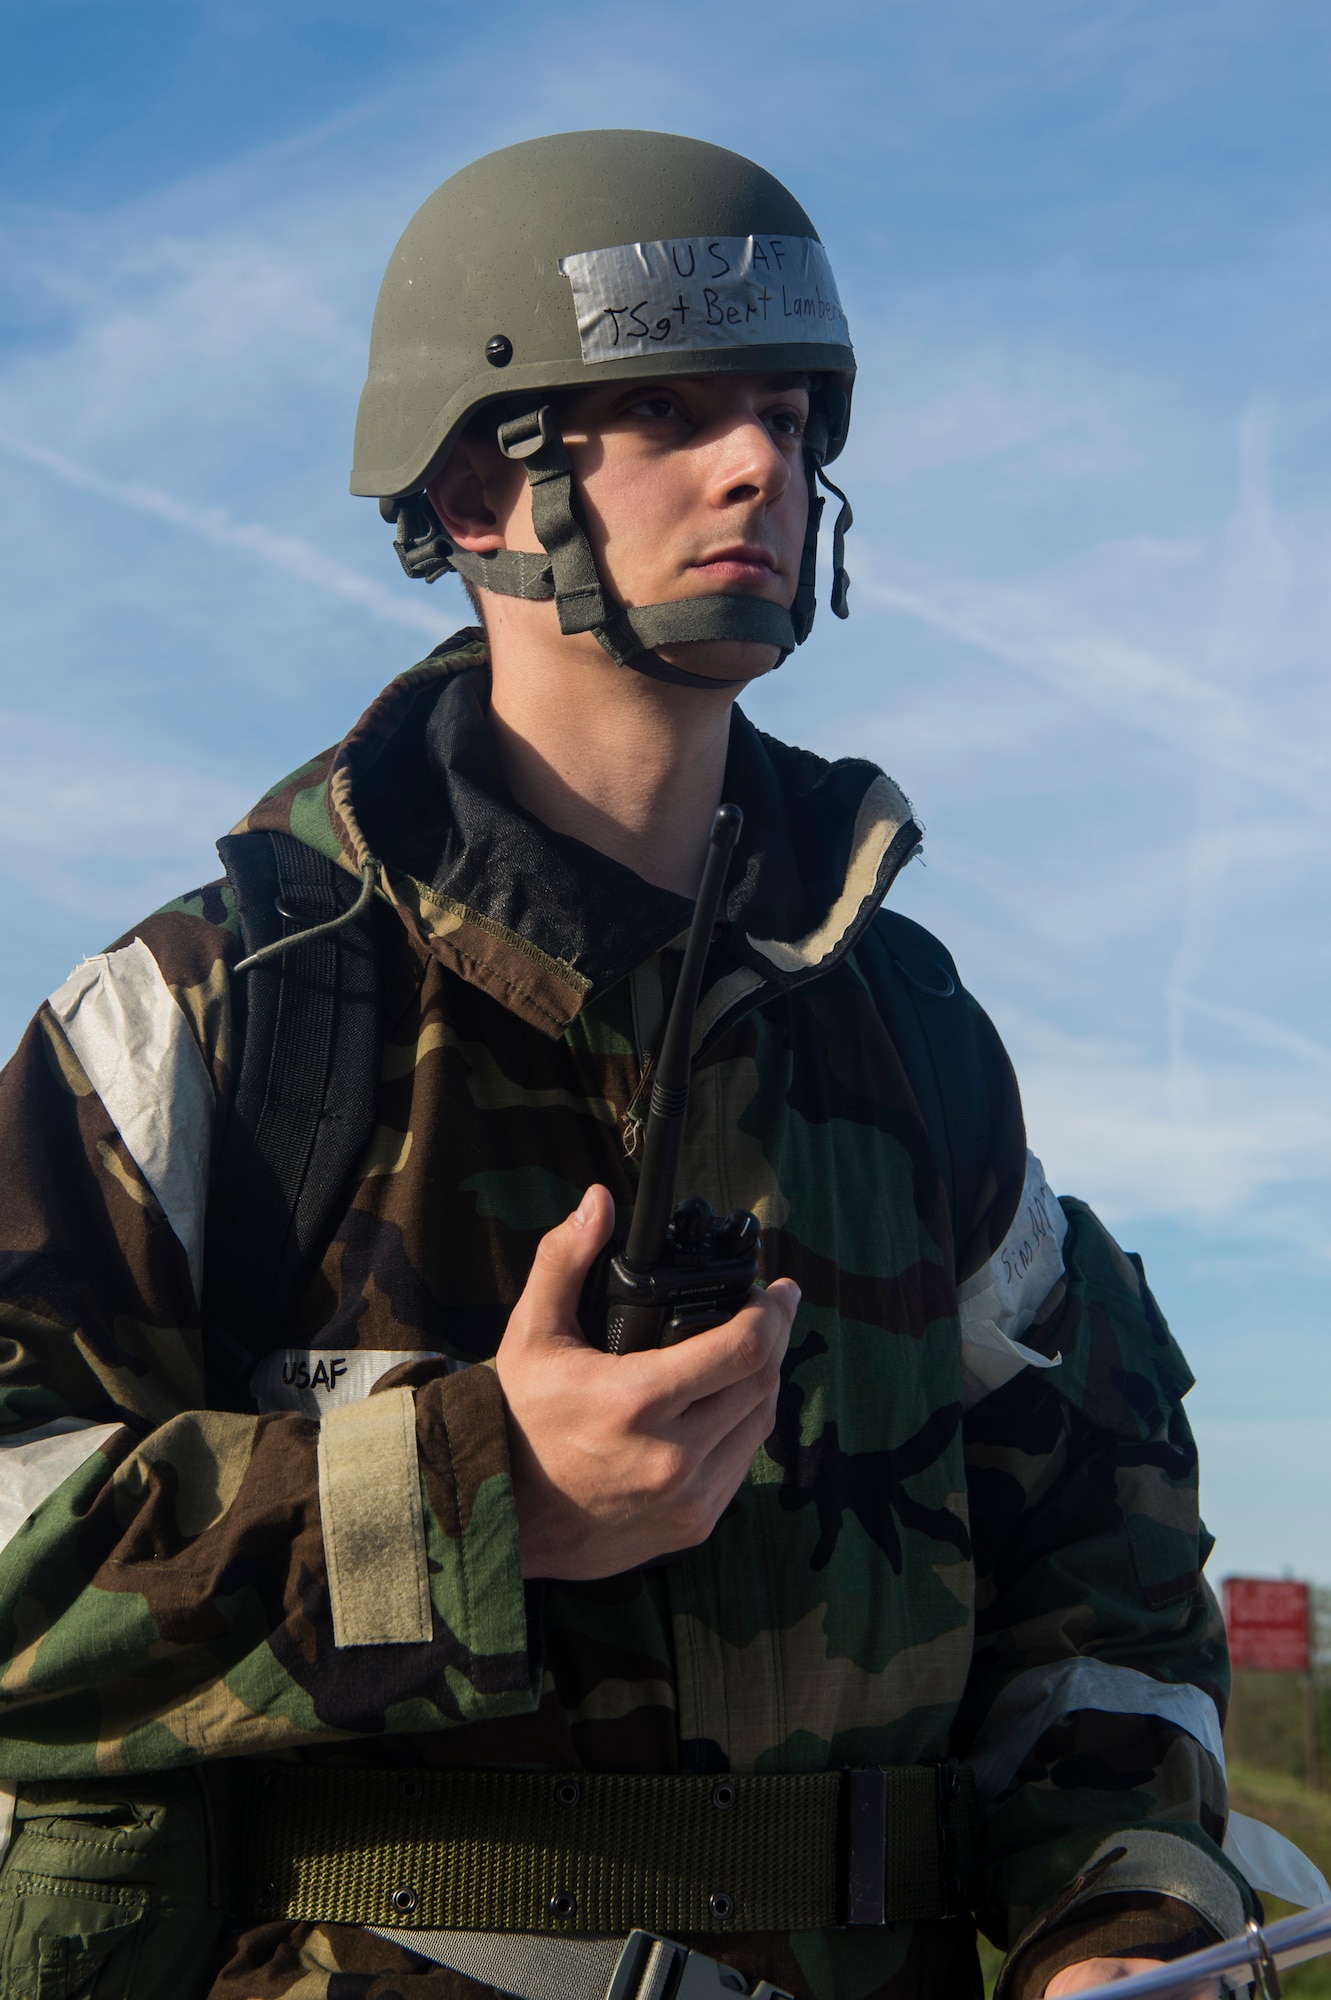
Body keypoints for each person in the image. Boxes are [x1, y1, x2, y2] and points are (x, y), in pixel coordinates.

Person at [0, 131, 1250, 2000]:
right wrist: (469, 1498)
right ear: (474, 486)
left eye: (787, 412)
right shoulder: (222, 1012)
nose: (762, 461)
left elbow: (1103, 1550)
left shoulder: (908, 1033)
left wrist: (1121, 1920)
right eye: (663, 406)